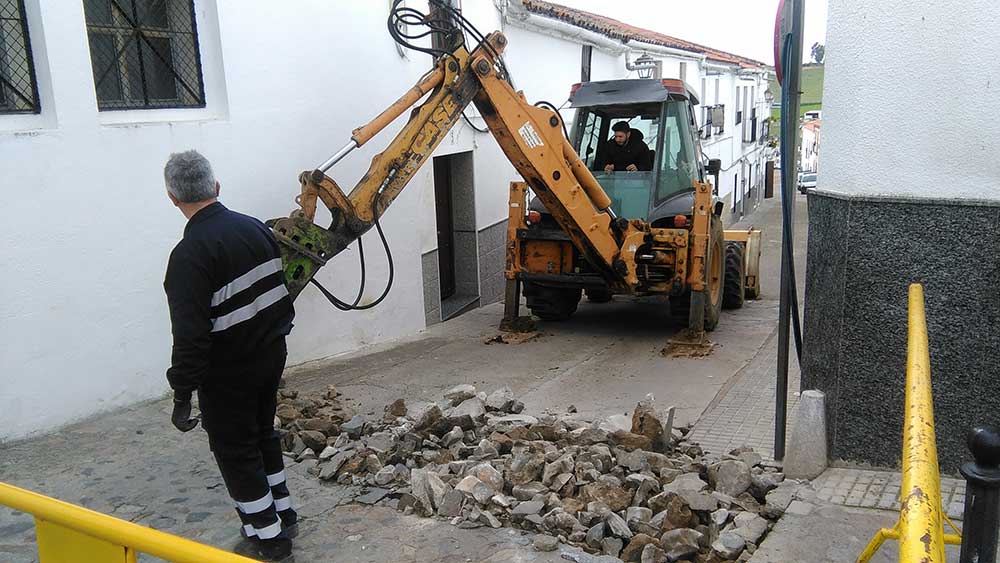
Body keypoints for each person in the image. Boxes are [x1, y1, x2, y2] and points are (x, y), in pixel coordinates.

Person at [162, 150, 296, 561]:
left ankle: (269, 535)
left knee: (234, 447)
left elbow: (190, 338)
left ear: (173, 198)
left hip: (228, 371)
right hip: (271, 354)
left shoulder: (188, 258)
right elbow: (279, 295)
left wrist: (182, 394)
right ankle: (283, 510)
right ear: (216, 187)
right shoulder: (256, 229)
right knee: (262, 433)